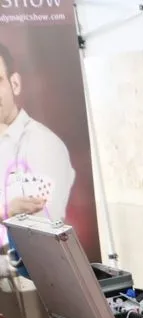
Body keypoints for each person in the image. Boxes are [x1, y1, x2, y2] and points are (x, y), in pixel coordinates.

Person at [0, 40, 76, 274]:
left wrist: (7, 213)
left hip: (28, 280)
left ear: (14, 83)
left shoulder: (42, 144)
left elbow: (42, 228)